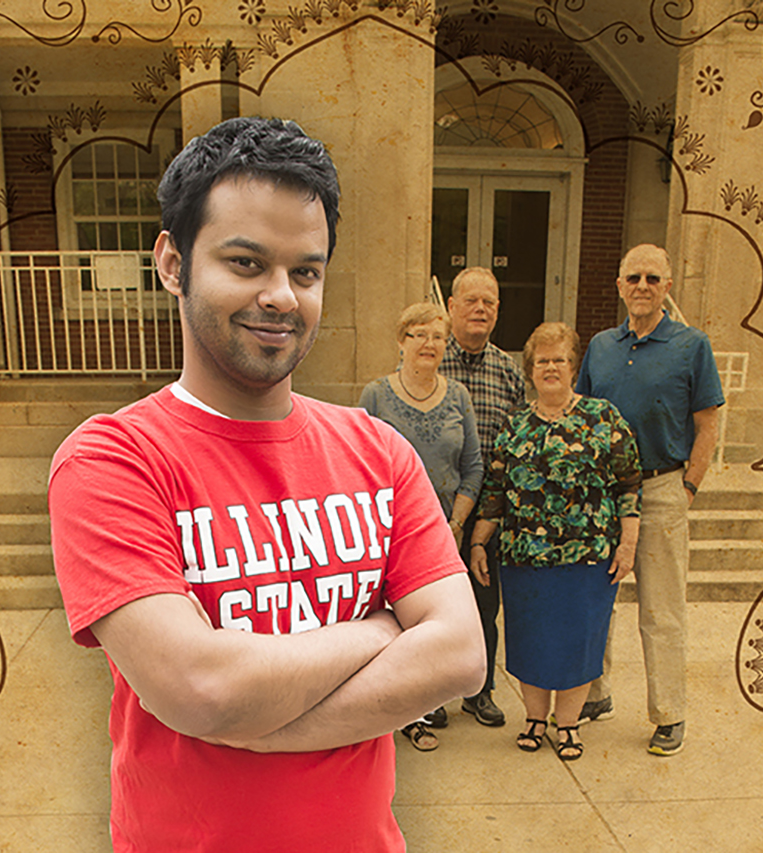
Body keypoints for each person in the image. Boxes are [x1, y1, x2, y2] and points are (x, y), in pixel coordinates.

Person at [48, 117, 485, 853]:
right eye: (246, 263)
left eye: (305, 271)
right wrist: (381, 630)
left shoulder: (379, 451)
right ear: (173, 262)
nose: (281, 296)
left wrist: (257, 726)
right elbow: (201, 687)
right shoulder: (113, 459)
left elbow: (461, 656)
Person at [574, 243, 724, 757]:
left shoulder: (691, 346)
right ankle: (594, 695)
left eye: (652, 279)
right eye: (633, 277)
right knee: (596, 602)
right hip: (604, 494)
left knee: (662, 610)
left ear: (667, 287)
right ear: (619, 286)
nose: (642, 286)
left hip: (662, 489)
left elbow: (707, 422)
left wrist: (689, 487)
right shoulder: (601, 346)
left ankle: (669, 714)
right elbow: (583, 412)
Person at [469, 322, 641, 762]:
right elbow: (496, 489)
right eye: (542, 361)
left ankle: (567, 726)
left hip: (588, 558)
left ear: (573, 366)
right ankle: (534, 719)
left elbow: (628, 485)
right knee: (530, 639)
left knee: (579, 642)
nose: (551, 368)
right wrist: (477, 543)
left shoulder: (603, 418)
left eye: (559, 360)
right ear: (529, 370)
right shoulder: (517, 425)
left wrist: (628, 544)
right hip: (525, 558)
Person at [359, 302, 483, 750]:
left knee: (438, 620)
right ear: (401, 342)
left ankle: (433, 701)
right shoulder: (375, 395)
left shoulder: (459, 397)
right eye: (418, 335)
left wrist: (455, 522)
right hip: (393, 532)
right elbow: (362, 467)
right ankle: (408, 716)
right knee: (401, 622)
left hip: (448, 528)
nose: (428, 344)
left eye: (436, 336)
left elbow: (472, 466)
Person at [438, 266, 526, 728]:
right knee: (432, 608)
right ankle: (431, 696)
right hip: (434, 513)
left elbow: (515, 446)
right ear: (451, 307)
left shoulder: (508, 371)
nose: (480, 309)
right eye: (470, 300)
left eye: (489, 302)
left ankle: (480, 690)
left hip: (488, 513)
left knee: (483, 608)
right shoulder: (432, 359)